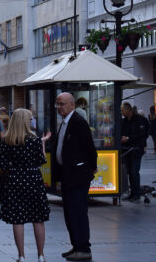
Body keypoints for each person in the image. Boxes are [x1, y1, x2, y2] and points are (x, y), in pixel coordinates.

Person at [0, 108, 51, 262]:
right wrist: (42, 143)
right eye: (30, 119)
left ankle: (21, 256)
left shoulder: (7, 140)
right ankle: (40, 255)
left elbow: (2, 164)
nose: (32, 121)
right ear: (25, 121)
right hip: (33, 179)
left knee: (18, 219)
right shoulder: (34, 140)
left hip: (15, 179)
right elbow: (41, 160)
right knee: (38, 218)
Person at [53, 93, 97, 261]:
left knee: (78, 212)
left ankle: (84, 248)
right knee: (69, 213)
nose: (59, 107)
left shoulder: (78, 122)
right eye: (57, 104)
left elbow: (89, 148)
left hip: (78, 175)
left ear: (71, 104)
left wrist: (91, 168)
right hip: (67, 174)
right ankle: (76, 246)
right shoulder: (65, 122)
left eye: (62, 104)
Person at [121, 102, 146, 201]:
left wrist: (128, 138)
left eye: (123, 110)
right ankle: (132, 193)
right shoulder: (125, 121)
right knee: (130, 172)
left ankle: (136, 194)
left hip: (136, 150)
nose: (122, 112)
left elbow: (141, 135)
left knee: (134, 171)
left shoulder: (139, 120)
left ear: (128, 110)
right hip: (127, 150)